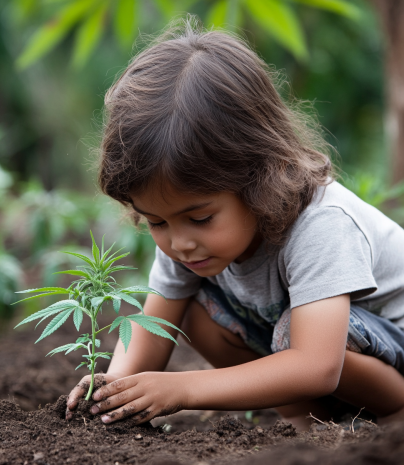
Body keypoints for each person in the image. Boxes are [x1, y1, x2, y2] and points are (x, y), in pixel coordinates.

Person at [66, 19, 404, 430]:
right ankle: (305, 420)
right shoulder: (184, 235)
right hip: (330, 357)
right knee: (189, 314)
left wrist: (183, 389)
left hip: (390, 348)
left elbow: (317, 366)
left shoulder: (321, 225)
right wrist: (113, 388)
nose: (180, 243)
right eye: (156, 222)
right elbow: (150, 333)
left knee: (292, 337)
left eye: (201, 218)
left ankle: (393, 415)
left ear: (259, 176)